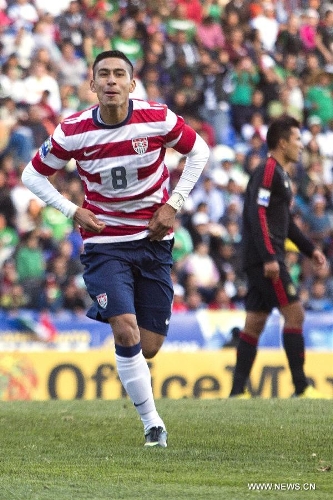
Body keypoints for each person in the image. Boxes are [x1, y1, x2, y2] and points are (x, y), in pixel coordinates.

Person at [21, 50, 210, 446]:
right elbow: (32, 175)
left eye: (118, 74)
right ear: (91, 85)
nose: (111, 81)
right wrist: (73, 210)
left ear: (132, 84)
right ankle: (152, 425)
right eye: (103, 74)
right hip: (105, 243)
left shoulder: (157, 118)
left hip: (154, 240)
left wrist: (172, 205)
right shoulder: (73, 130)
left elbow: (200, 152)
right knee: (125, 333)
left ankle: (129, 354)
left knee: (149, 345)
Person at [229, 115, 330, 399]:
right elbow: (256, 213)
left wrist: (310, 250)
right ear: (283, 143)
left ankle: (237, 392)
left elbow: (285, 225)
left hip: (264, 257)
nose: (301, 145)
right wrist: (270, 257)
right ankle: (301, 386)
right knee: (295, 314)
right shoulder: (268, 171)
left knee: (255, 323)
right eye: (297, 140)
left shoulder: (280, 176)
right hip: (267, 261)